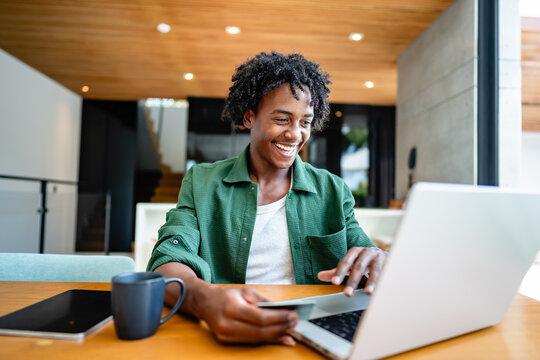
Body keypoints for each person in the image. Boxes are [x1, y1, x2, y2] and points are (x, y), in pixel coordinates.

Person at [147, 51, 387, 346]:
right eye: (282, 119)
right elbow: (166, 260)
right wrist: (204, 299)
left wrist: (378, 258)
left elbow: (365, 256)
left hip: (310, 334)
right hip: (227, 330)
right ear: (250, 117)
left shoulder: (333, 191)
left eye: (305, 122)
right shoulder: (202, 182)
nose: (295, 134)